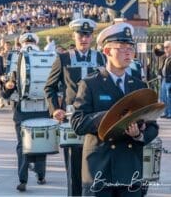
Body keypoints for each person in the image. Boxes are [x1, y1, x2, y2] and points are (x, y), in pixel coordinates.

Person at [71, 22, 159, 196]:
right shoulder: (90, 83)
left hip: (130, 168)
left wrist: (139, 135)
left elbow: (153, 126)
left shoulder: (139, 86)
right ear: (107, 51)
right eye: (122, 48)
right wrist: (110, 117)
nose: (128, 52)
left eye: (130, 48)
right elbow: (77, 123)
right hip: (100, 167)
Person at [44, 18, 106, 197]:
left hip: (98, 118)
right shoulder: (63, 58)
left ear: (92, 37)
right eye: (80, 35)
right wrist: (55, 109)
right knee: (74, 170)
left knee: (97, 169)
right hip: (73, 119)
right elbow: (50, 87)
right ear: (74, 35)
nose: (84, 39)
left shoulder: (101, 57)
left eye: (87, 35)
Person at [13, 32, 49, 192]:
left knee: (32, 144)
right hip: (31, 109)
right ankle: (26, 178)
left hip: (32, 109)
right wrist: (7, 86)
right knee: (33, 143)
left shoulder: (46, 59)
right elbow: (8, 90)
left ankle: (34, 176)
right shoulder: (46, 58)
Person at [159, 40, 171, 118]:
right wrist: (159, 74)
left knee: (169, 96)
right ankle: (165, 112)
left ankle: (170, 113)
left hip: (169, 80)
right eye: (164, 47)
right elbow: (161, 67)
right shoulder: (164, 57)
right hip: (163, 79)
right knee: (163, 97)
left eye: (167, 47)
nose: (165, 49)